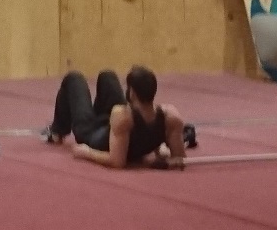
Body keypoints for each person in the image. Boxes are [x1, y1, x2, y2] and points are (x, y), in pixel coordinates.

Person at [47, 66, 189, 170]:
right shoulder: (171, 117)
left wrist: (86, 152)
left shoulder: (123, 117)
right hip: (113, 127)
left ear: (132, 93)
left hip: (91, 134)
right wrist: (161, 148)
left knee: (73, 78)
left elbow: (117, 162)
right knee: (107, 76)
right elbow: (179, 158)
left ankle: (57, 131)